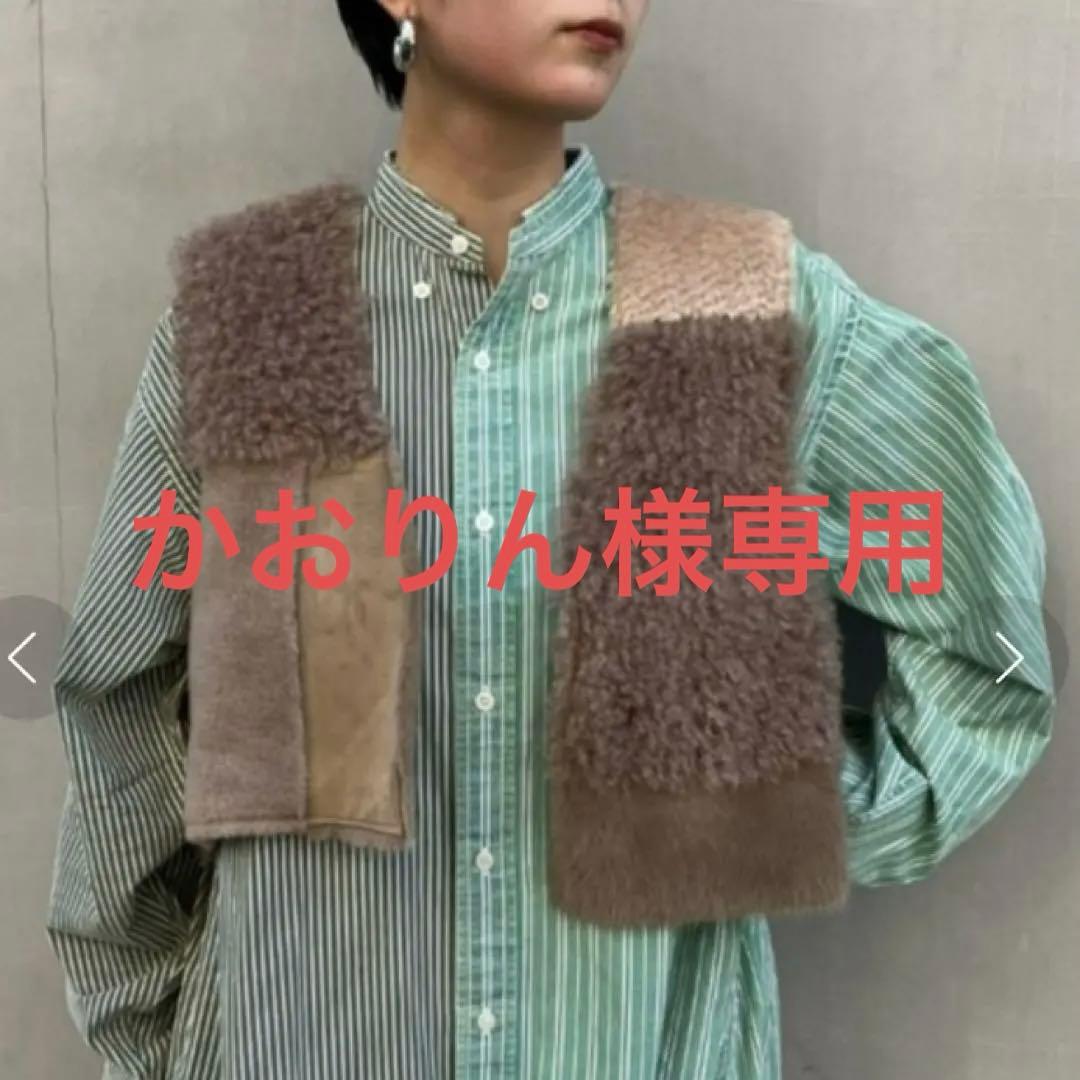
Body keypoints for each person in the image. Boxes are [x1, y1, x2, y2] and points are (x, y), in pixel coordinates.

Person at [45, 2, 1055, 1077]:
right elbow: (123, 697)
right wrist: (165, 1038)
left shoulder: (736, 307)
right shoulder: (258, 324)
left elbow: (989, 650)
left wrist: (765, 815)